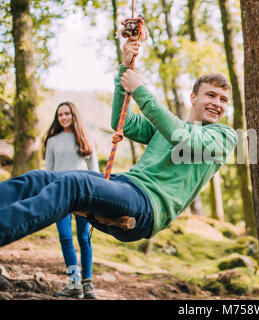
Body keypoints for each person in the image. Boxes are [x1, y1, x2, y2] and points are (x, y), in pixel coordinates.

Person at [0, 40, 237, 256]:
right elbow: (122, 122)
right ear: (193, 97)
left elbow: (184, 138)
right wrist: (125, 68)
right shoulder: (167, 127)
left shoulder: (223, 136)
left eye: (223, 100)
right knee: (39, 179)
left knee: (74, 185)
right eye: (211, 95)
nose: (217, 103)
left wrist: (141, 90)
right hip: (124, 185)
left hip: (147, 206)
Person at [42, 101, 99, 299]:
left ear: (74, 116)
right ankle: (74, 282)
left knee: (84, 238)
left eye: (67, 114)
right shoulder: (53, 141)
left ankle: (88, 284)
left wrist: (98, 197)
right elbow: (48, 171)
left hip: (83, 195)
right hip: (60, 194)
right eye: (60, 115)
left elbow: (95, 171)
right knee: (65, 237)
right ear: (57, 118)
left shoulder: (85, 138)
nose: (64, 117)